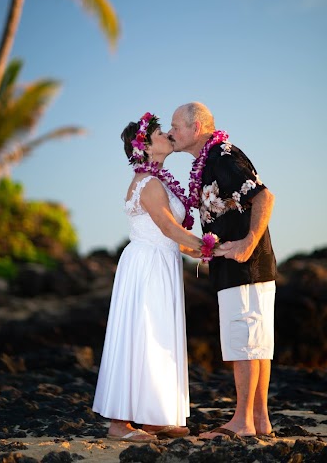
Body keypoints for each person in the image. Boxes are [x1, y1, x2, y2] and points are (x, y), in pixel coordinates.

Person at [92, 112, 206, 442]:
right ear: (143, 145)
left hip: (162, 261)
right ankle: (119, 423)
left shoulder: (156, 179)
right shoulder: (149, 183)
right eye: (160, 133)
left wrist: (195, 251)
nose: (168, 135)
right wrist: (209, 247)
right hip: (148, 265)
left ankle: (154, 417)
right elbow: (169, 227)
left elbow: (172, 235)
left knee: (158, 337)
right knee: (142, 335)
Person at [168, 102, 277, 439]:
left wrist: (246, 243)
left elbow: (264, 197)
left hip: (244, 264)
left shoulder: (223, 157)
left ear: (196, 127)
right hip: (242, 266)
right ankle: (259, 421)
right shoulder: (210, 161)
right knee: (255, 342)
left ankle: (242, 422)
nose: (171, 132)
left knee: (243, 341)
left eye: (176, 125)